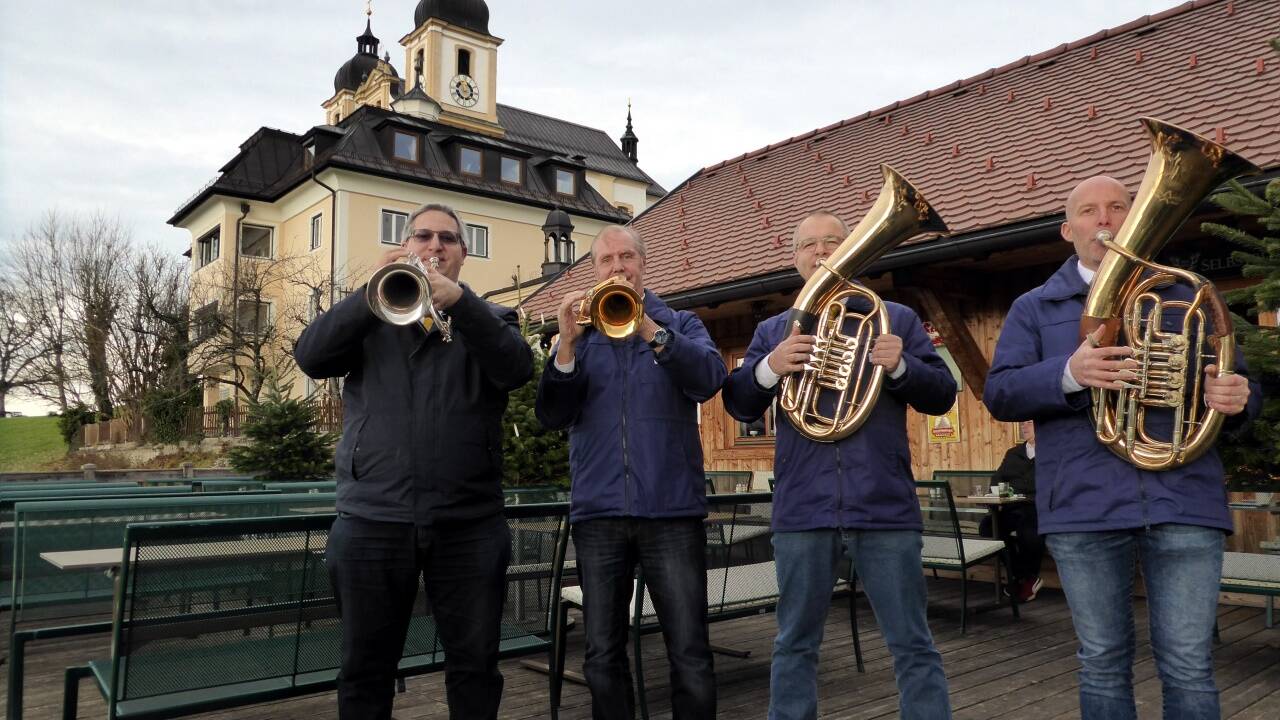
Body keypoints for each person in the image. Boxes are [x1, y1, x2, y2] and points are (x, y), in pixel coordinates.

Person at [983, 176, 1261, 718]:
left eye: (1117, 208)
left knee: (1188, 662)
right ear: (1069, 230)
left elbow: (1239, 388)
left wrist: (1236, 396)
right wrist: (1068, 372)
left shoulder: (1187, 294)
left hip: (1184, 498)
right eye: (1089, 211)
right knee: (1103, 660)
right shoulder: (1034, 307)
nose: (1104, 220)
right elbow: (1001, 392)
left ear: (1133, 220)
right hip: (1083, 506)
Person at [295, 202, 533, 720]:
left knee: (474, 667)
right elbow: (310, 357)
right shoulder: (372, 314)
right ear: (407, 248)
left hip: (468, 523)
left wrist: (463, 305)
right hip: (374, 519)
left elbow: (516, 369)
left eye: (447, 239)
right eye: (422, 237)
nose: (434, 247)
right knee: (364, 668)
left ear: (463, 256)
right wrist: (367, 293)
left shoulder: (490, 318)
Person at [721, 211, 957, 720]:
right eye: (810, 244)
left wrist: (902, 365)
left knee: (911, 642)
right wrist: (768, 367)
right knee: (794, 642)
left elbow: (942, 395)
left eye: (834, 242)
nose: (822, 251)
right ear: (795, 258)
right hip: (803, 507)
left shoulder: (895, 318)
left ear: (855, 251)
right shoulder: (772, 330)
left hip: (884, 505)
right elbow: (738, 403)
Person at [535, 225, 727, 720]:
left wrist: (649, 330)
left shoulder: (680, 324)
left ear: (644, 264)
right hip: (599, 515)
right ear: (594, 270)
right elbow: (552, 416)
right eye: (606, 260)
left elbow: (709, 379)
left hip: (672, 513)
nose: (616, 267)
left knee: (688, 648)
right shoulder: (581, 336)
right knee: (601, 653)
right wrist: (565, 347)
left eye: (626, 258)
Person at [983, 419, 1045, 602]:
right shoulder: (1013, 453)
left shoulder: (1050, 453)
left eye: (1029, 423)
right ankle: (1020, 575)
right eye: (1022, 423)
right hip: (1012, 506)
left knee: (1029, 532)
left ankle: (1026, 579)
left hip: (1037, 508)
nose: (1023, 426)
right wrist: (993, 497)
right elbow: (997, 478)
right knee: (988, 528)